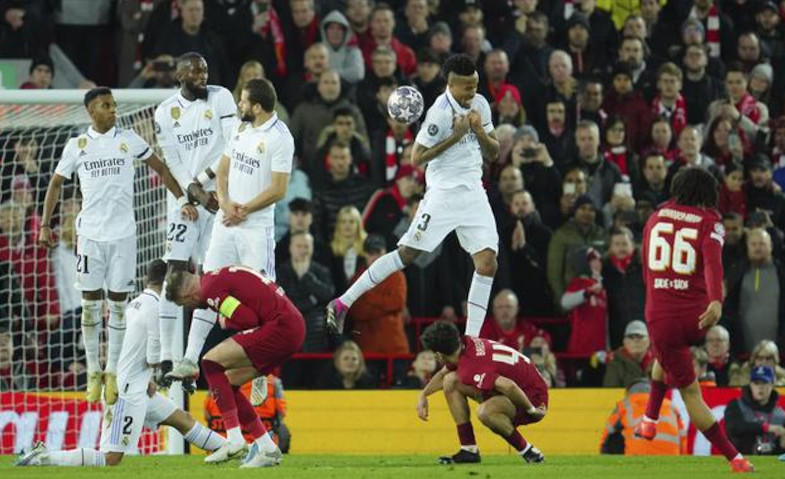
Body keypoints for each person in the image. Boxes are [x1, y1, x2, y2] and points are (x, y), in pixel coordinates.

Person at [37, 87, 195, 405]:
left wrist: (182, 199)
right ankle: (93, 370)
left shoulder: (129, 140)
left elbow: (161, 168)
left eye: (114, 105)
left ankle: (112, 371)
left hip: (123, 235)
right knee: (90, 304)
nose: (113, 110)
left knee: (119, 305)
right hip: (89, 236)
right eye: (106, 105)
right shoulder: (77, 146)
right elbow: (55, 183)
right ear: (91, 111)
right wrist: (44, 224)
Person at [327, 54, 500, 342]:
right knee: (407, 254)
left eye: (475, 85)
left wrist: (479, 130)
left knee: (487, 263)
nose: (473, 92)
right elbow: (417, 158)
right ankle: (343, 301)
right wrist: (456, 135)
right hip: (443, 194)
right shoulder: (438, 114)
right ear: (451, 85)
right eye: (467, 87)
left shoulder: (480, 104)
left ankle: (471, 341)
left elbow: (493, 153)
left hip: (473, 193)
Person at [14, 260, 226, 467]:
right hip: (127, 392)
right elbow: (154, 359)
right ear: (167, 282)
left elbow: (128, 349)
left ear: (147, 279)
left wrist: (147, 379)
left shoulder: (134, 304)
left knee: (182, 419)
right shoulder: (156, 308)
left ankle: (231, 448)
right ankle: (44, 458)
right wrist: (175, 368)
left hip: (136, 385)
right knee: (110, 458)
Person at [167, 77, 294, 384]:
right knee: (207, 286)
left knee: (264, 302)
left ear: (257, 107)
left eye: (244, 100)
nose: (239, 104)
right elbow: (223, 170)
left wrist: (245, 210)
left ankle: (262, 373)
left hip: (255, 230)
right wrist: (225, 203)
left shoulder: (280, 138)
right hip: (227, 224)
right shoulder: (240, 128)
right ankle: (189, 359)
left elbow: (279, 189)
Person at [637, 167, 754, 472]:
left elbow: (646, 265)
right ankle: (650, 419)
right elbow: (713, 264)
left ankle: (734, 458)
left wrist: (655, 299)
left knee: (690, 391)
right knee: (666, 354)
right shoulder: (710, 221)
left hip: (661, 313)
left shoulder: (655, 218)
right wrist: (715, 300)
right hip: (698, 314)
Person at [153, 52, 239, 388]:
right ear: (179, 76)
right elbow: (172, 161)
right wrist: (190, 194)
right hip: (186, 202)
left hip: (218, 196)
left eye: (205, 70)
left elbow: (232, 146)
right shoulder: (164, 112)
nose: (203, 76)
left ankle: (190, 358)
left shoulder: (221, 97)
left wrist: (202, 187)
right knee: (174, 271)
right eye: (195, 72)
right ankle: (165, 358)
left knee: (209, 278)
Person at [165, 265, 305, 467]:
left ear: (188, 295)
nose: (193, 308)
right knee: (228, 383)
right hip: (292, 326)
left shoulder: (210, 289)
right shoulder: (217, 276)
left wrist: (226, 320)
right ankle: (267, 448)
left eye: (186, 305)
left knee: (210, 362)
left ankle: (234, 439)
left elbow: (248, 319)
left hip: (281, 327)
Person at [417, 321, 547, 465]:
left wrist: (532, 410)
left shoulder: (470, 368)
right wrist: (424, 394)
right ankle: (469, 450)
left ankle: (529, 452)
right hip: (528, 385)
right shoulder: (466, 344)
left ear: (438, 355)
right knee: (450, 380)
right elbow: (443, 374)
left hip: (532, 398)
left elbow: (509, 386)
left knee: (485, 412)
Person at [600, 379, 686, 455]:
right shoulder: (670, 405)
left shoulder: (625, 404)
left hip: (637, 458)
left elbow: (606, 437)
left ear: (629, 393)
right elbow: (683, 436)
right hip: (670, 458)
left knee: (616, 435)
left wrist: (604, 454)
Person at [724, 365, 785, 456]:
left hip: (770, 460)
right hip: (741, 458)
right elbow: (734, 427)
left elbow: (780, 452)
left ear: (772, 385)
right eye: (756, 383)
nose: (760, 387)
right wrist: (766, 428)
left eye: (764, 383)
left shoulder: (780, 415)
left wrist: (782, 446)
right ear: (751, 385)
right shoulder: (736, 405)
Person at [603, 320, 653, 388]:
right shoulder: (615, 363)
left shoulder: (657, 362)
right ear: (624, 342)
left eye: (640, 336)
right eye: (631, 337)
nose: (635, 340)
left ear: (649, 340)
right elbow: (610, 390)